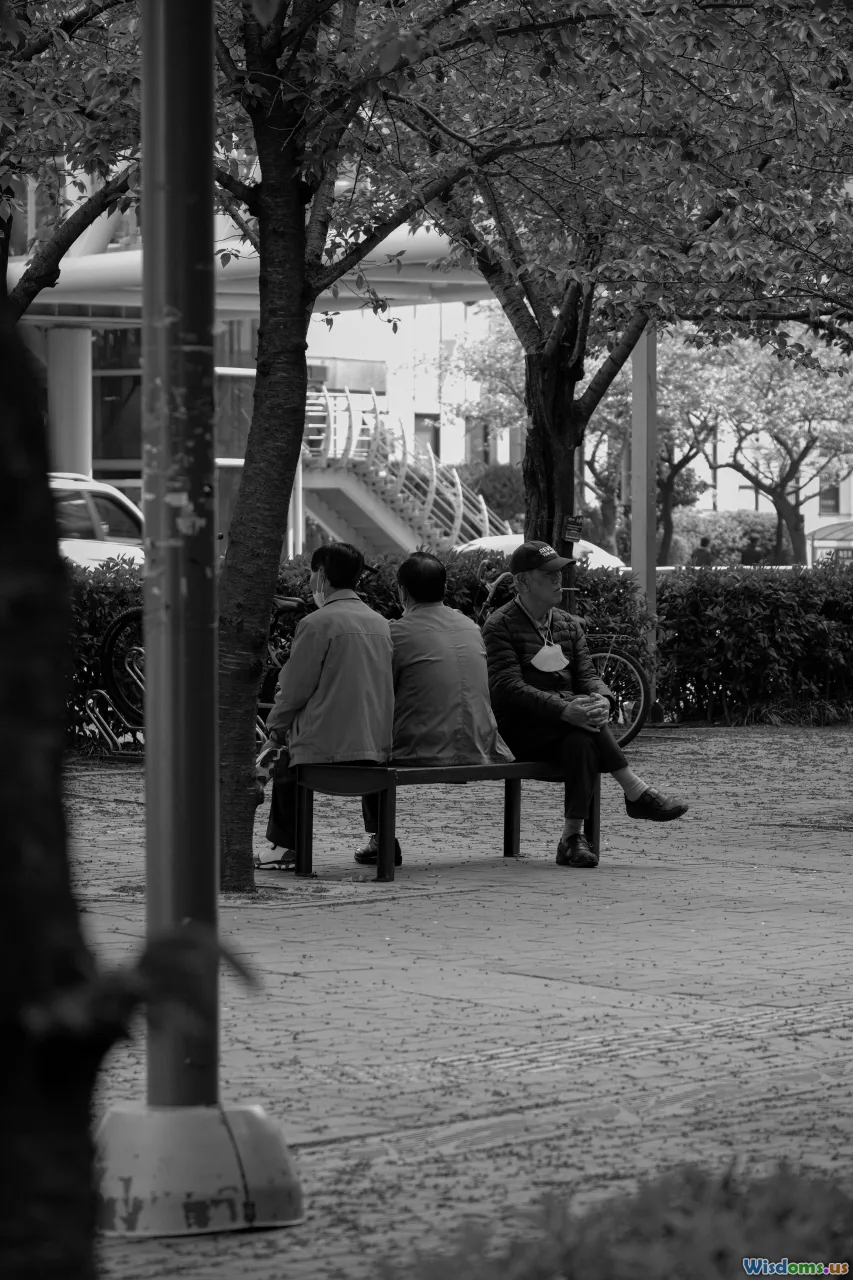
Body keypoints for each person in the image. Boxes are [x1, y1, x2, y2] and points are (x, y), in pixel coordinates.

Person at [482, 540, 688, 870]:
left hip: (569, 725)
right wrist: (564, 708)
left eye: (560, 572)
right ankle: (634, 791)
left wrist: (602, 700)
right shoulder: (500, 625)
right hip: (519, 730)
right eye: (547, 574)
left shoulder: (567, 623)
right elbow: (507, 689)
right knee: (580, 726)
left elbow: (589, 676)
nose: (557, 580)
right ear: (522, 582)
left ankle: (571, 840)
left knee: (582, 739)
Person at [354, 552, 512, 867]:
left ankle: (379, 837)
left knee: (369, 744)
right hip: (483, 744)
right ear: (445, 587)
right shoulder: (469, 625)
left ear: (402, 592)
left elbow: (376, 693)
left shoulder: (396, 632)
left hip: (424, 746)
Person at [258, 542, 394, 868]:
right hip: (376, 746)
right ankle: (383, 838)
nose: (309, 583)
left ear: (321, 575)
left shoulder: (316, 624)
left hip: (325, 748)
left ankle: (283, 846)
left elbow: (293, 692)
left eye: (311, 575)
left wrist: (275, 731)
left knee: (283, 751)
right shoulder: (381, 624)